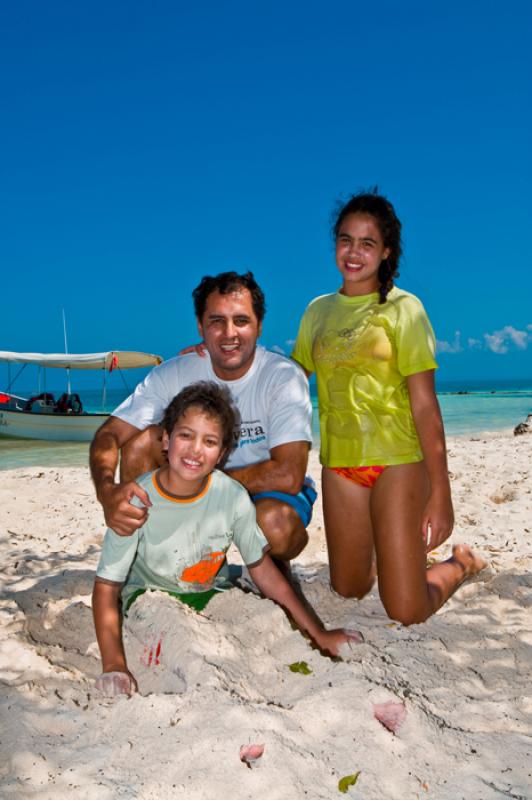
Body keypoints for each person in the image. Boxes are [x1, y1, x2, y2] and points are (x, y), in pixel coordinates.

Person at [291, 191, 486, 625]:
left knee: (407, 609)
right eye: (345, 240)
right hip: (341, 466)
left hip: (399, 461)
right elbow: (286, 382)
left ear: (386, 252)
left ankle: (461, 563)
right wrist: (220, 364)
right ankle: (395, 547)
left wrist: (441, 493)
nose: (354, 253)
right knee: (349, 588)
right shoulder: (317, 312)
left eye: (367, 243)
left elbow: (424, 405)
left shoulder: (405, 308)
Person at [92, 382, 359, 695]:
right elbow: (106, 588)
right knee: (187, 649)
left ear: (221, 454)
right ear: (166, 439)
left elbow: (263, 571)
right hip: (150, 596)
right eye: (185, 435)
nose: (195, 450)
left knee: (270, 625)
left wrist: (319, 634)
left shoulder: (231, 495)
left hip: (211, 590)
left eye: (209, 441)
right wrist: (113, 665)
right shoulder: (136, 499)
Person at [90, 271, 315, 562]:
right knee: (141, 443)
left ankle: (268, 569)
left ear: (259, 326)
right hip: (190, 482)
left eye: (241, 320)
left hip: (262, 493)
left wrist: (201, 486)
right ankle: (150, 559)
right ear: (200, 327)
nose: (229, 333)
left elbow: (288, 475)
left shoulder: (282, 377)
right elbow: (108, 435)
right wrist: (108, 492)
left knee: (276, 524)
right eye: (216, 321)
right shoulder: (176, 372)